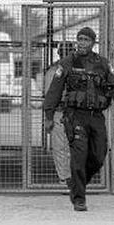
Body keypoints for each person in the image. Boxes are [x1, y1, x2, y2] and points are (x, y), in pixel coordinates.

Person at [44, 27, 114, 211]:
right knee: (79, 157)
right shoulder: (67, 63)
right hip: (76, 116)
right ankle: (79, 198)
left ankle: (76, 184)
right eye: (79, 39)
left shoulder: (103, 63)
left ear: (93, 43)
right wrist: (49, 116)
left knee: (99, 155)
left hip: (96, 117)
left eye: (86, 40)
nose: (82, 42)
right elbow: (54, 91)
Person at [43, 41, 76, 185]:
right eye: (64, 52)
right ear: (59, 53)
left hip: (78, 113)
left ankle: (75, 176)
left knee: (77, 146)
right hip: (60, 112)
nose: (67, 55)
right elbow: (49, 95)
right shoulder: (53, 71)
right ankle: (65, 178)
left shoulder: (80, 69)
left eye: (69, 52)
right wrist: (48, 117)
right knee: (60, 147)